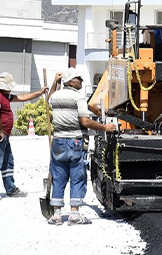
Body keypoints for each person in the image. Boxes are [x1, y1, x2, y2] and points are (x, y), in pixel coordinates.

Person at [46, 68, 116, 225]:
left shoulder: (56, 96)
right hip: (75, 142)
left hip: (58, 142)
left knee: (58, 176)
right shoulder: (78, 97)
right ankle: (74, 214)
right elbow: (84, 121)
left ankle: (56, 215)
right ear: (71, 82)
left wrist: (55, 82)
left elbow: (49, 98)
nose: (82, 81)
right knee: (77, 177)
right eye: (79, 78)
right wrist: (104, 127)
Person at [0, 72, 48, 200]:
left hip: (3, 136)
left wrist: (39, 93)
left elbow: (22, 97)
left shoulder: (4, 95)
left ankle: (10, 189)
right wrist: (1, 130)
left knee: (7, 162)